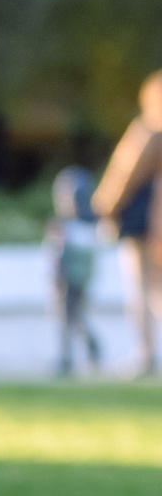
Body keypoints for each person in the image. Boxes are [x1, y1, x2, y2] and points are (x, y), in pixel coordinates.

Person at [91, 69, 162, 377]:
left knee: (143, 288)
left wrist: (105, 210)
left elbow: (124, 175)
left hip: (145, 223)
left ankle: (145, 356)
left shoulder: (147, 132)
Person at [49, 165, 104, 377]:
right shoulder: (62, 225)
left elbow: (84, 260)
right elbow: (54, 255)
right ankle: (72, 354)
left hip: (76, 281)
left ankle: (68, 358)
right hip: (64, 280)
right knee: (69, 318)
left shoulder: (83, 228)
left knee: (70, 318)